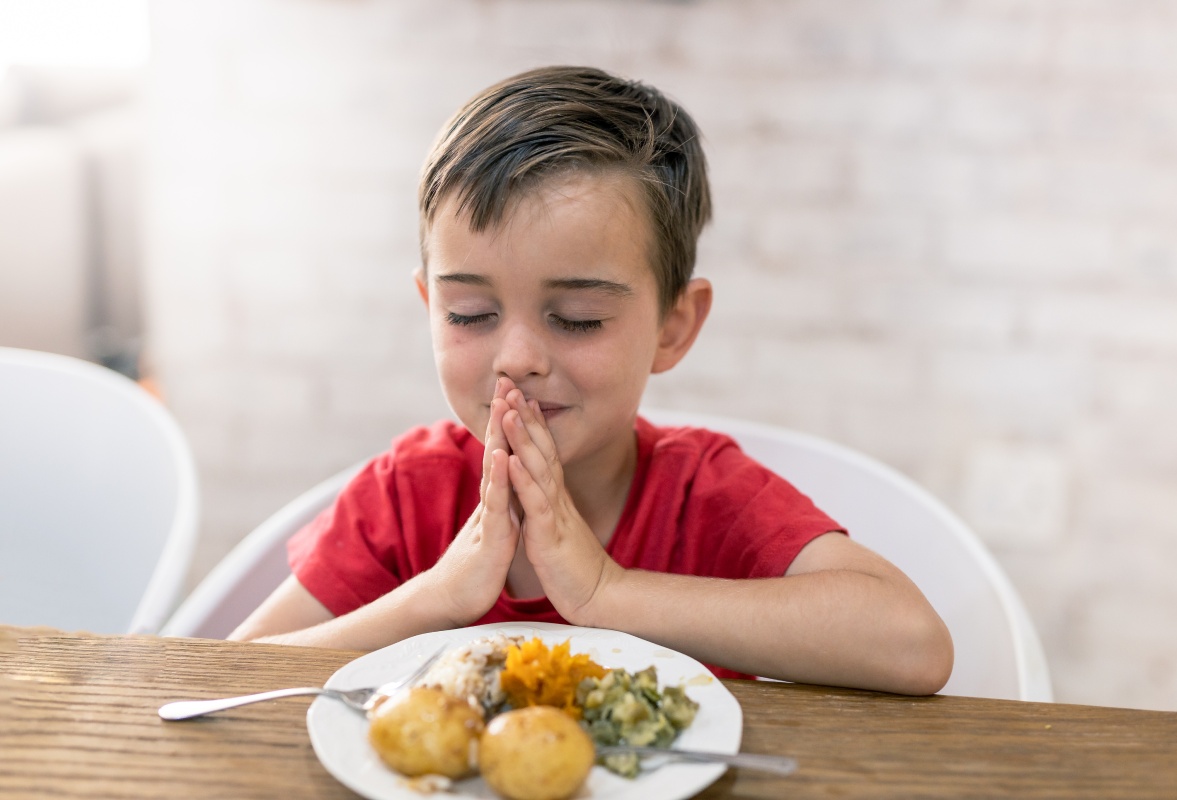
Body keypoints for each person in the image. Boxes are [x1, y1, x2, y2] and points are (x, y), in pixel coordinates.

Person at [230, 65, 953, 695]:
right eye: (471, 313)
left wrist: (609, 592)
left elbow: (913, 644)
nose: (515, 357)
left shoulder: (704, 496)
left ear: (673, 327)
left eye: (576, 318)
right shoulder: (407, 496)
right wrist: (438, 598)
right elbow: (221, 673)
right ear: (430, 306)